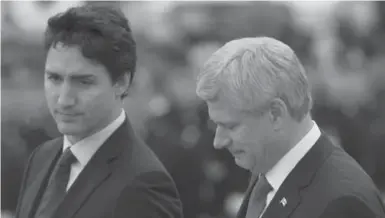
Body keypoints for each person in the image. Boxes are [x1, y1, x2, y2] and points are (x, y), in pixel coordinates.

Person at [15, 5, 183, 218]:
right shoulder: (42, 157)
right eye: (54, 78)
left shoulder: (143, 184)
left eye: (84, 82)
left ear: (121, 83)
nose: (64, 99)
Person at [196, 37, 385, 218]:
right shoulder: (268, 171)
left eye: (231, 126)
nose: (218, 141)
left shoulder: (342, 203)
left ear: (276, 114)